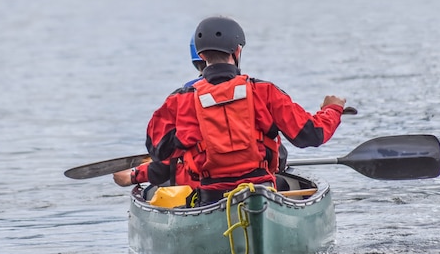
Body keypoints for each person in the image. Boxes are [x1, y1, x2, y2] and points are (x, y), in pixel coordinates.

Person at [144, 16, 346, 206]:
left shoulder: (180, 101)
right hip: (262, 193)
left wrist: (187, 144)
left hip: (210, 197)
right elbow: (312, 135)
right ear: (238, 51)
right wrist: (332, 109)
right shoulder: (264, 92)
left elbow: (156, 149)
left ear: (202, 56)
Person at [112, 35, 206, 188]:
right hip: (250, 184)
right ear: (237, 51)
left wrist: (135, 175)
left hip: (200, 187)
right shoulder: (254, 90)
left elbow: (162, 157)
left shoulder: (180, 99)